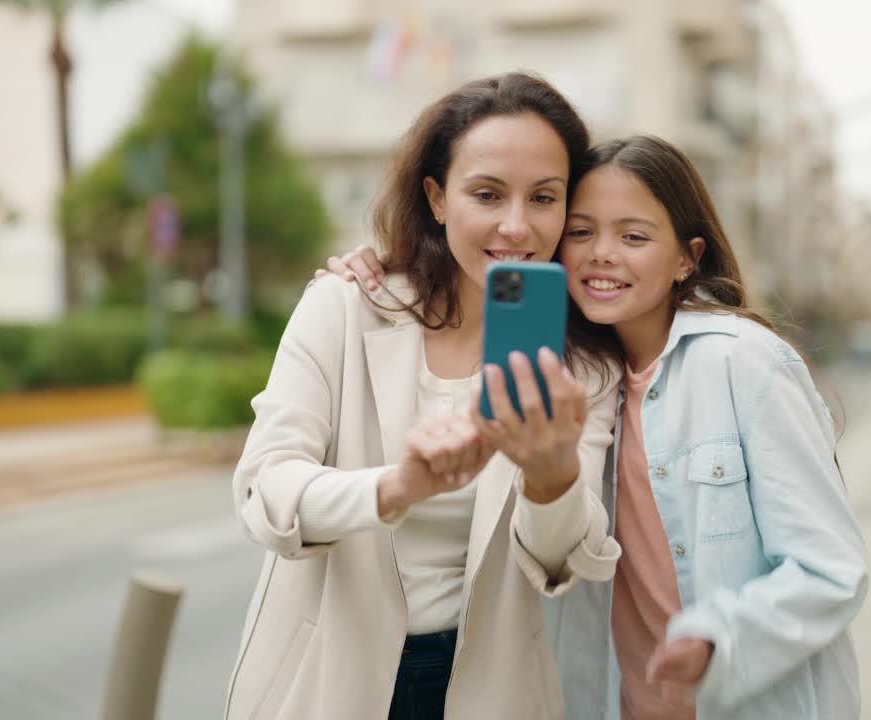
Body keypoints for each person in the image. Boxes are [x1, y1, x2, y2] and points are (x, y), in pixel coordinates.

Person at [324, 135, 869, 719]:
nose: (601, 254)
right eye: (581, 233)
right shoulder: (572, 379)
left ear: (687, 257)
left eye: (633, 236)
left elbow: (830, 570)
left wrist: (718, 639)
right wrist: (395, 268)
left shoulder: (744, 362)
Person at [224, 72, 622, 720]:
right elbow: (265, 491)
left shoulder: (583, 368)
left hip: (489, 689)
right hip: (326, 681)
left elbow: (563, 560)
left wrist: (552, 475)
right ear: (437, 198)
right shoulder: (346, 306)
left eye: (544, 197)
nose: (516, 226)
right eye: (487, 194)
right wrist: (396, 487)